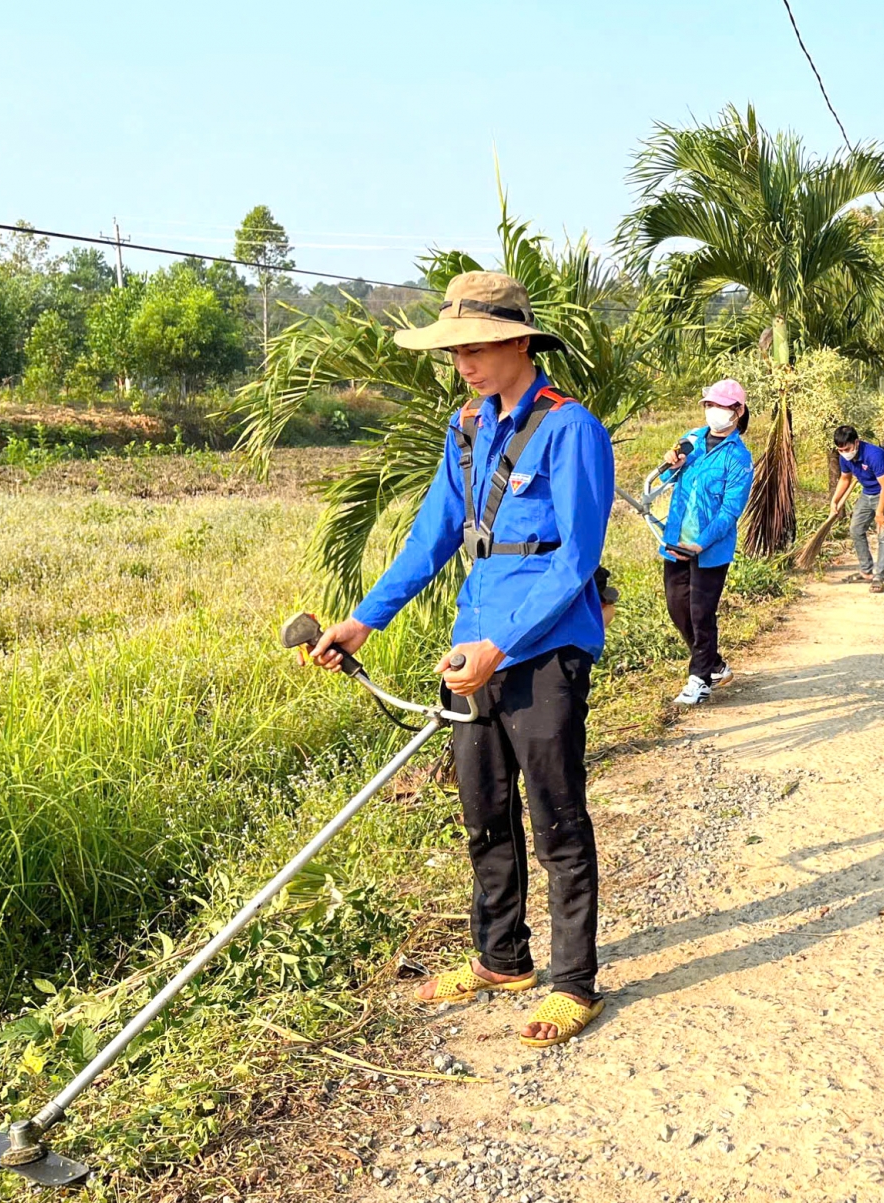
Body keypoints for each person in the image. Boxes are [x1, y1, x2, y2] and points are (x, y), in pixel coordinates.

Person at [306, 271, 615, 1049]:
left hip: (539, 646)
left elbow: (576, 558)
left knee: (557, 819)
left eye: (475, 346)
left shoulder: (571, 428)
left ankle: (574, 981)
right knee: (483, 811)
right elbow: (433, 535)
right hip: (471, 640)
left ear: (519, 341)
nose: (464, 363)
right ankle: (501, 957)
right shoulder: (467, 427)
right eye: (454, 351)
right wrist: (361, 621)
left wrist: (501, 644)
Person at [660, 378, 754, 706]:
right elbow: (665, 479)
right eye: (710, 405)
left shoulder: (739, 458)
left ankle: (699, 680)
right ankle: (714, 664)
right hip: (676, 541)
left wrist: (701, 543)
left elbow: (730, 510)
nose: (714, 412)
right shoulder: (691, 439)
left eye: (722, 407)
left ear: (738, 411)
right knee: (677, 608)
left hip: (709, 550)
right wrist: (670, 464)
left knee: (701, 612)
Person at [828, 424, 884, 594]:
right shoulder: (844, 457)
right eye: (840, 450)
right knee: (856, 529)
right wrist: (835, 500)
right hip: (868, 492)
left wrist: (879, 512)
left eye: (847, 449)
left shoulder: (874, 455)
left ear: (856, 442)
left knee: (883, 534)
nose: (844, 453)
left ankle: (879, 577)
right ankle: (866, 571)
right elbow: (845, 479)